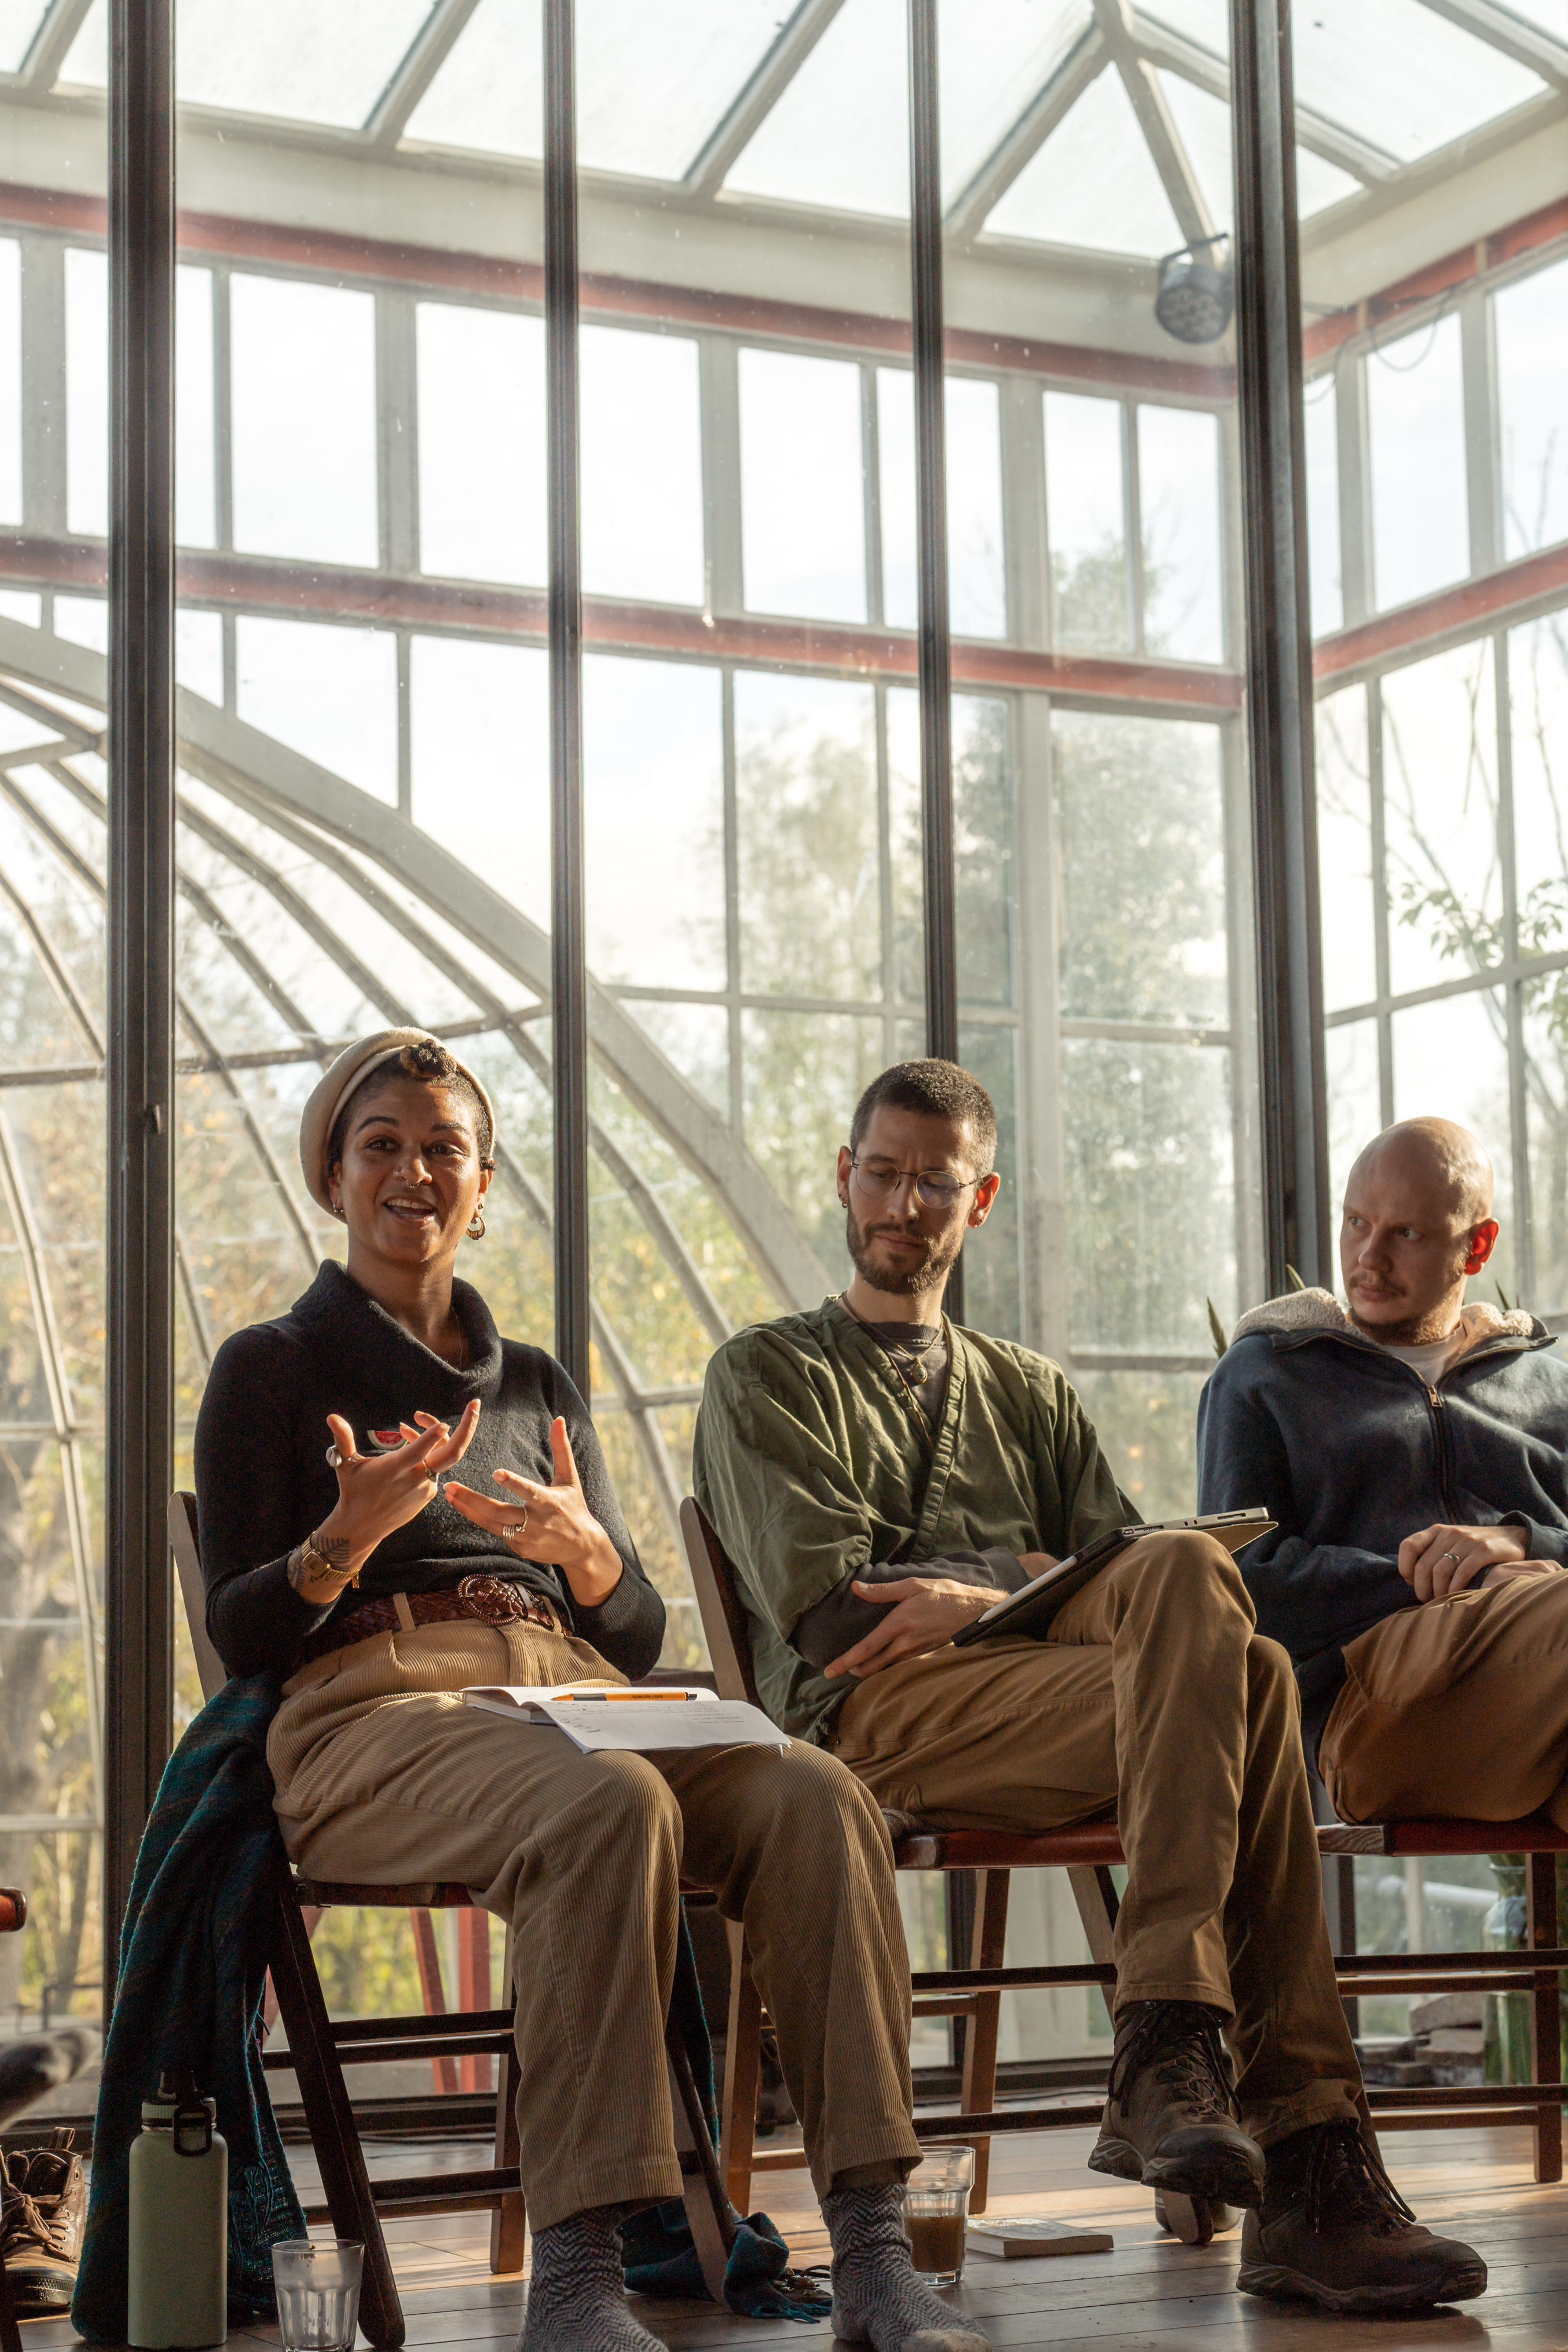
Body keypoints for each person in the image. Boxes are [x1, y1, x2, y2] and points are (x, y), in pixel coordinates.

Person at [196, 1027, 991, 2352]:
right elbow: (241, 1635)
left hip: (568, 1699)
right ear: (331, 1176)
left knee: (814, 1795)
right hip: (370, 1715)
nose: (413, 1170)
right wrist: (339, 1541)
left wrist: (588, 1557)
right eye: (380, 1144)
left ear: (482, 1186)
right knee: (608, 1802)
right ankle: (574, 2287)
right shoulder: (268, 1367)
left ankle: (872, 2262)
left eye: (445, 1148)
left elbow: (629, 1636)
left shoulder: (537, 1383)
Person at [694, 1058, 1484, 2314]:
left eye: (934, 1182)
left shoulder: (1029, 1388)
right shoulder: (765, 1372)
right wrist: (1016, 1586)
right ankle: (1301, 2163)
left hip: (1056, 1712)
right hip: (876, 1723)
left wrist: (972, 1595)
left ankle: (1172, 2040)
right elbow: (842, 1618)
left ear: (981, 1198)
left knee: (1199, 1592)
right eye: (881, 1173)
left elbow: (1141, 1584)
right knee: (1250, 1684)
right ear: (844, 1177)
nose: (901, 1203)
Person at [1197, 1115, 1568, 1833]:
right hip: (1372, 1708)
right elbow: (1238, 1581)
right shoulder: (1265, 1374)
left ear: (1476, 1246)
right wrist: (1460, 1579)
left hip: (1535, 1719)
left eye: (1406, 1233)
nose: (1368, 1257)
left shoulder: (1547, 1390)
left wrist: (1522, 1543)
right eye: (1355, 1223)